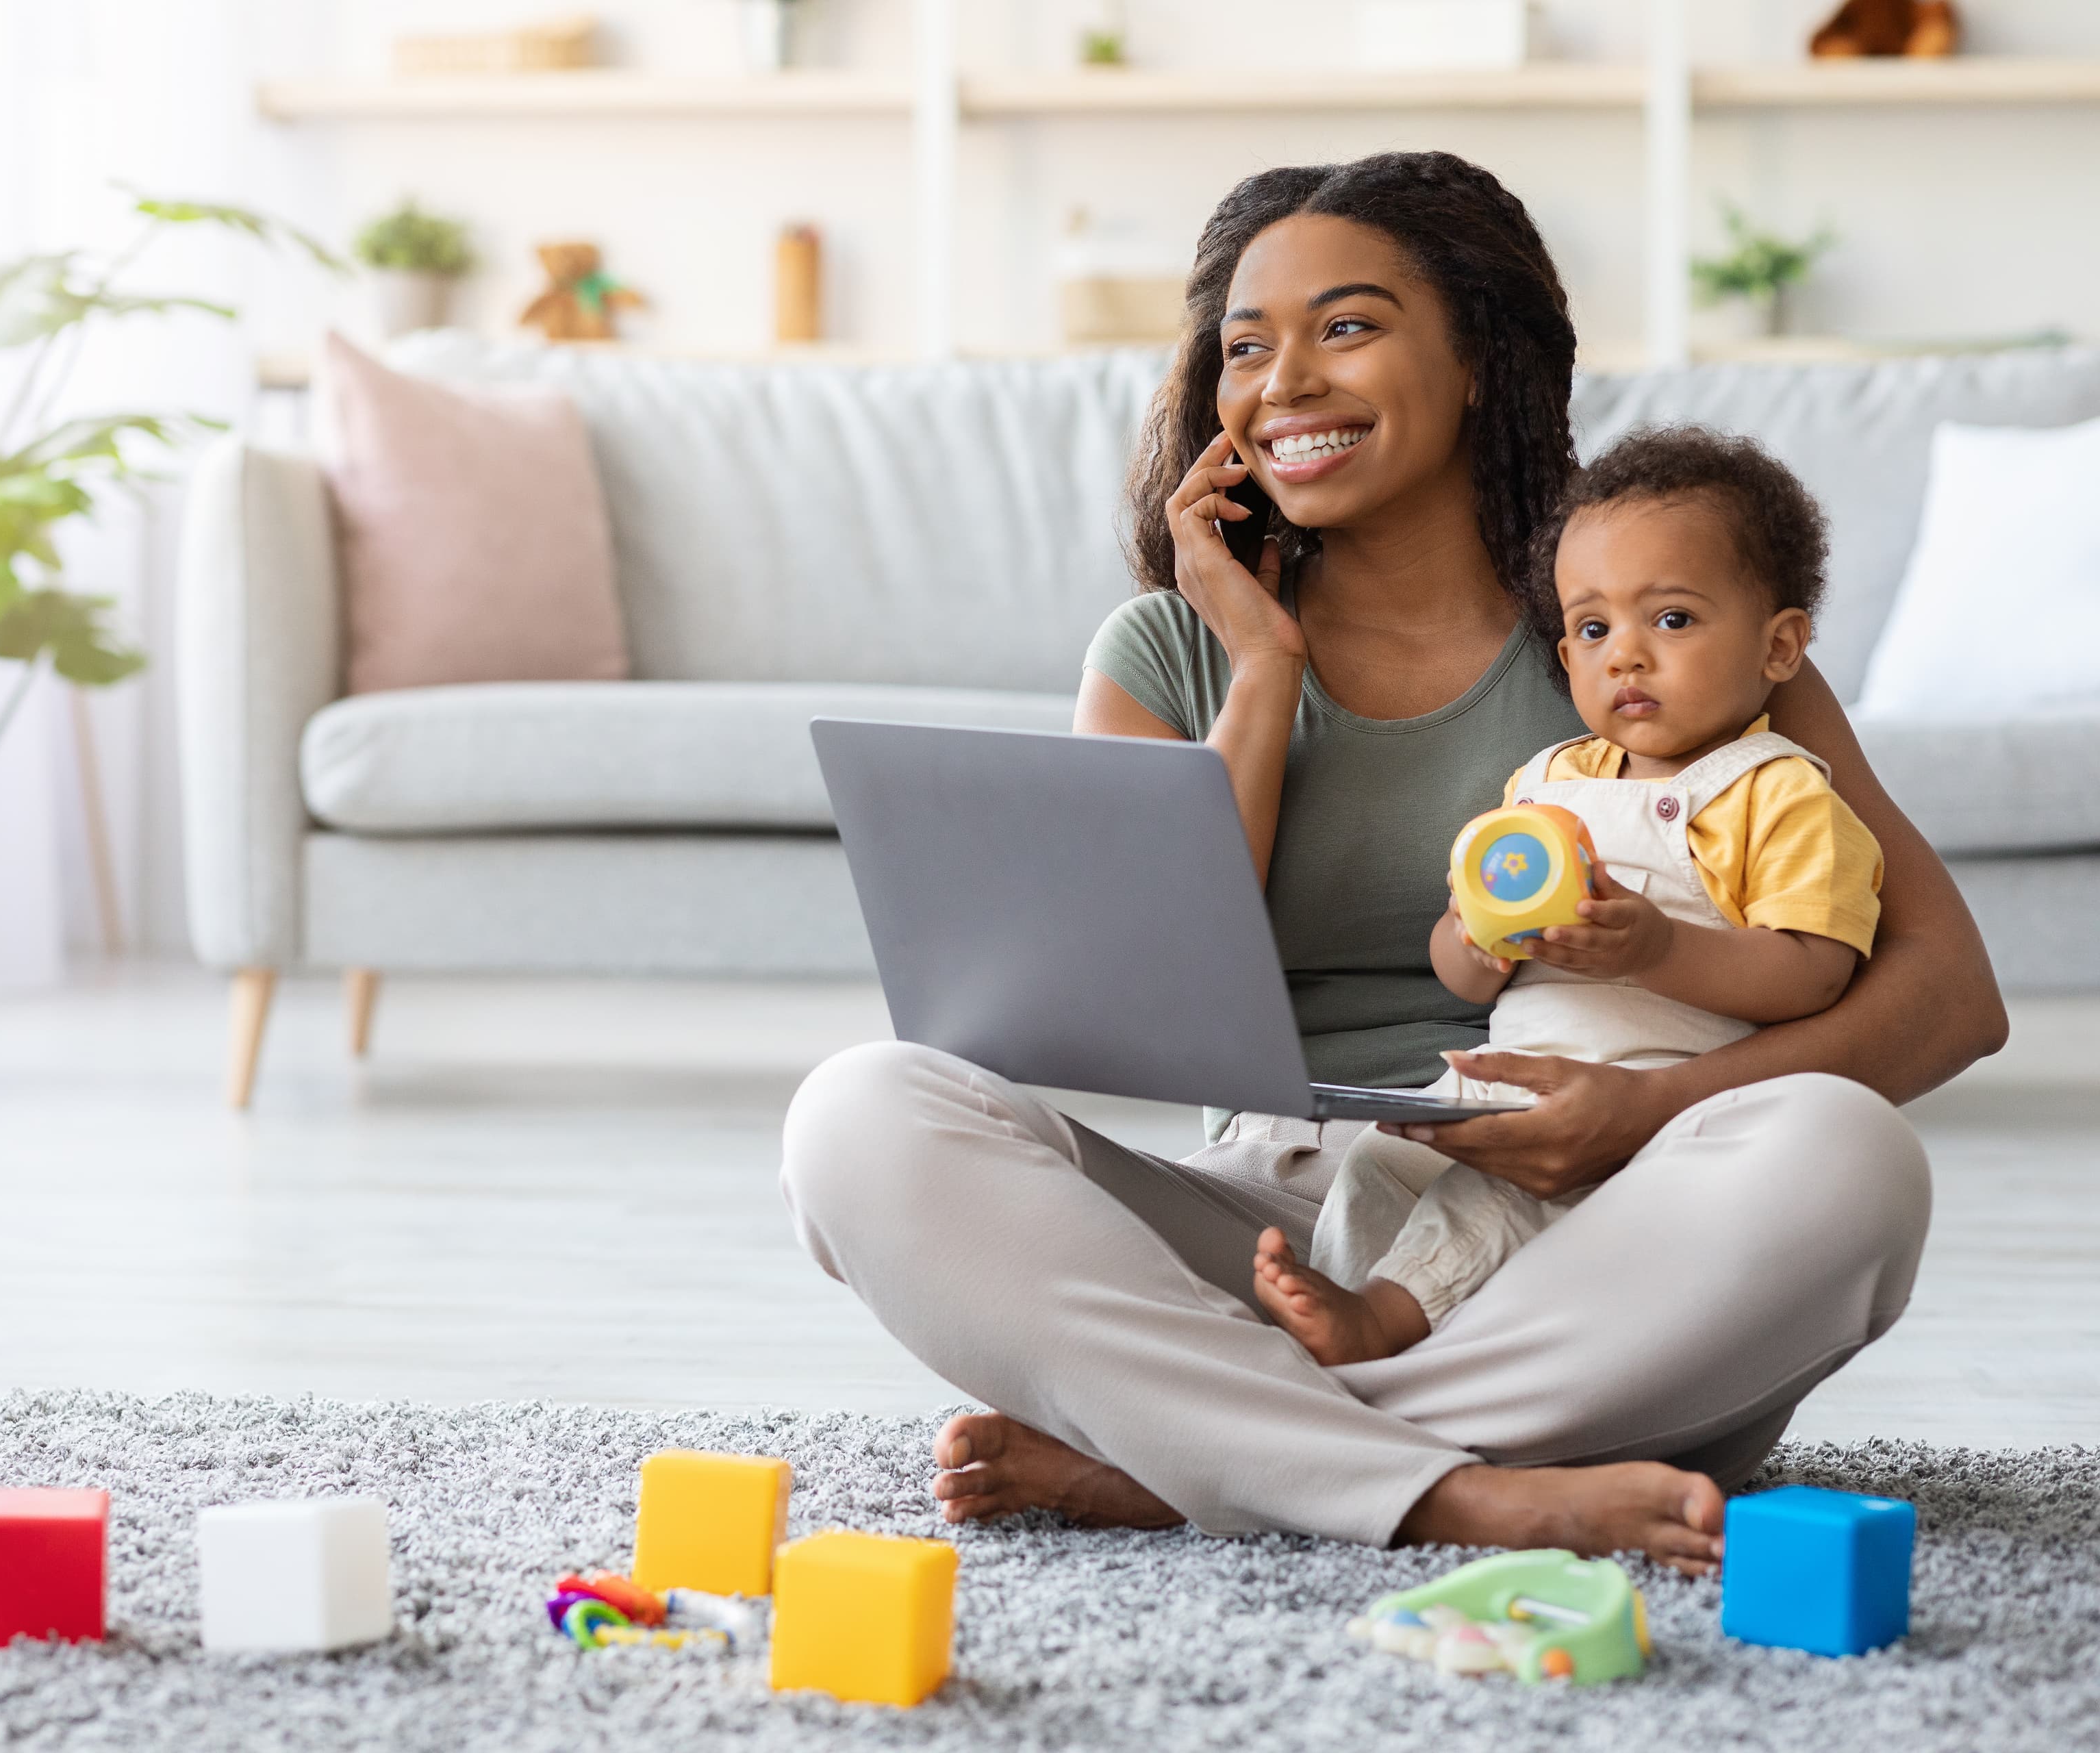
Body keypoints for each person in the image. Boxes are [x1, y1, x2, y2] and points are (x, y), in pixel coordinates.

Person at [776, 151, 2006, 1575]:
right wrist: (1261, 667)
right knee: (858, 1115)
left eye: (1347, 326)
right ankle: (1458, 1492)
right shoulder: (1168, 649)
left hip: (1594, 1251)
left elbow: (1950, 996)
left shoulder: (1658, 631)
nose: (1284, 383)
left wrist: (1643, 1110)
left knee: (1848, 1156)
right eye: (1247, 348)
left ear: (1480, 358)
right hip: (1276, 1233)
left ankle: (1207, 1461)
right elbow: (1129, 998)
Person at [1252, 427, 1886, 1367]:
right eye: (1594, 630)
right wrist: (1476, 942)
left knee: (1499, 1198)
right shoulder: (1546, 782)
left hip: (1652, 1108)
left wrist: (1660, 950)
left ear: (1780, 645)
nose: (1626, 656)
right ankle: (1346, 1338)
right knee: (1381, 1163)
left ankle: (1381, 1325)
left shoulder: (1784, 793)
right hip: (1502, 1076)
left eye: (1672, 620)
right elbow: (1462, 965)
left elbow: (1814, 973)